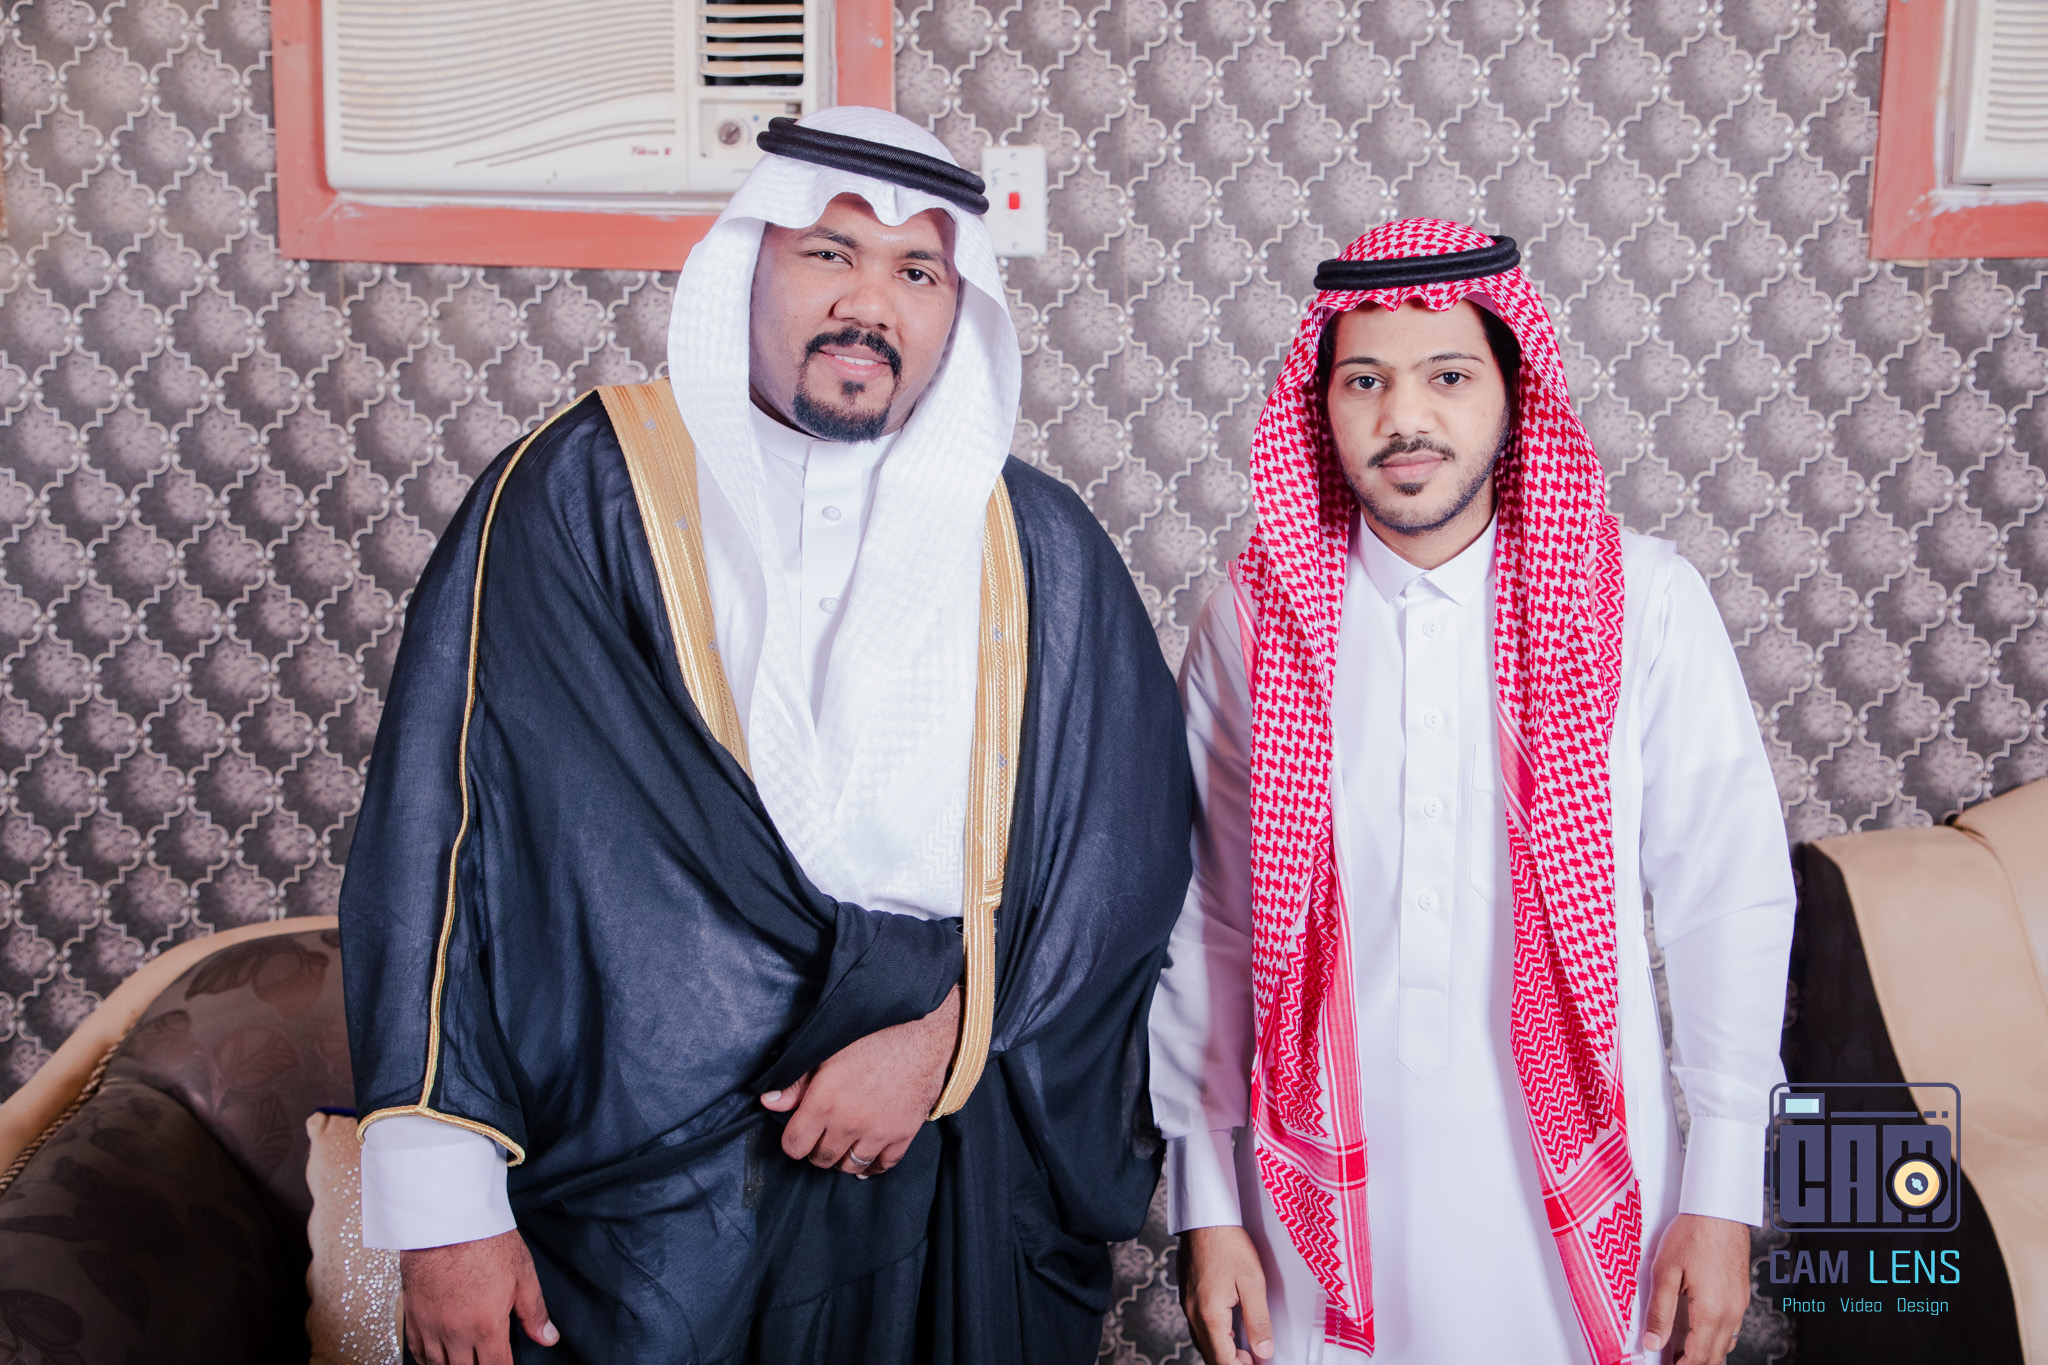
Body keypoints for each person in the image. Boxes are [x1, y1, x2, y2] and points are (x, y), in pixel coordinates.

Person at [339, 107, 1191, 1365]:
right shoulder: (579, 496)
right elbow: (447, 837)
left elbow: (1123, 874)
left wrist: (943, 1042)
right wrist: (443, 1214)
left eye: (917, 273)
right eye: (827, 253)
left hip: (946, 1153)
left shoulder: (1040, 549)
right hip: (644, 1191)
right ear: (748, 263)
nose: (869, 304)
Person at [1148, 219, 1795, 1365]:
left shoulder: (1639, 602)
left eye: (1446, 376)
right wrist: (1207, 1204)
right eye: (1364, 381)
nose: (1404, 417)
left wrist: (1722, 1193)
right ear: (1320, 405)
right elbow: (1205, 922)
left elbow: (1723, 901)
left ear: (1511, 390)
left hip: (1585, 1187)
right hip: (1310, 1202)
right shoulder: (1254, 621)